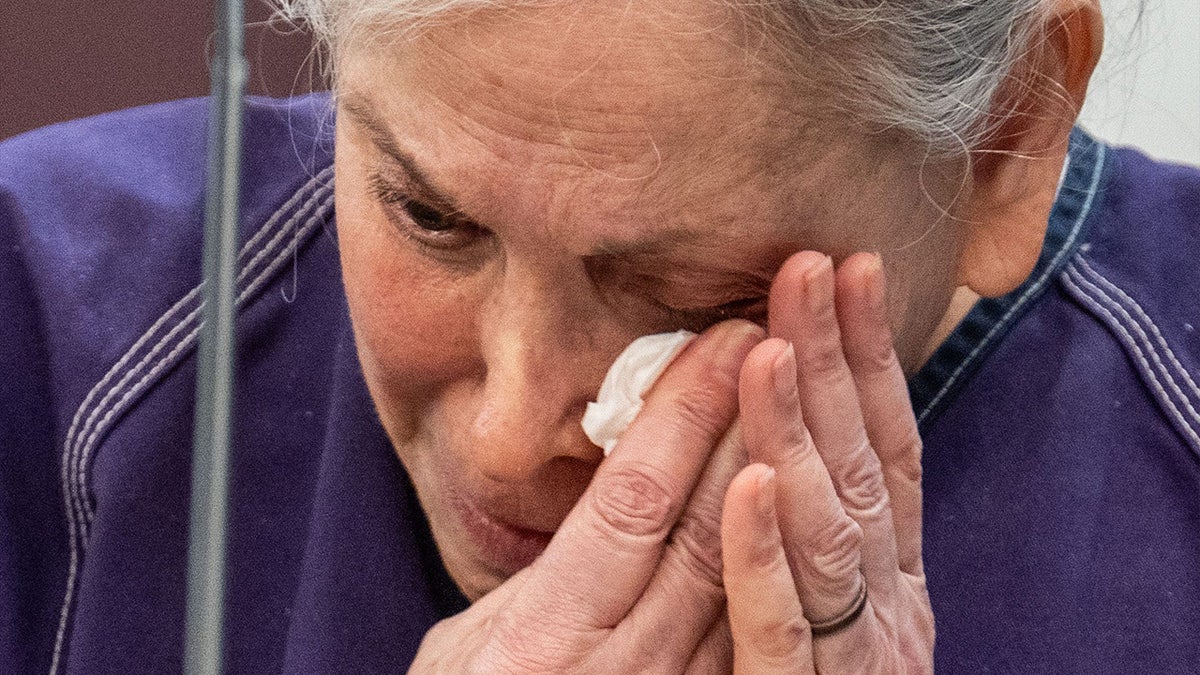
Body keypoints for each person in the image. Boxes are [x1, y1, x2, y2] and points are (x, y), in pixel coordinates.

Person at [1, 0, 1197, 672]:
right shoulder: (48, 330)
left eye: (692, 292)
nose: (514, 438)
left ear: (1004, 139)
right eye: (428, 216)